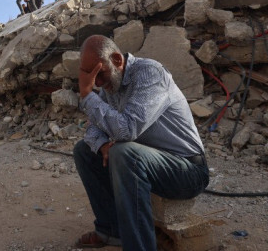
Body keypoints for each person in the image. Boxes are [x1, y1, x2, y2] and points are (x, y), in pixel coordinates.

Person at [73, 35, 209, 250]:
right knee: (84, 151)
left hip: (188, 171)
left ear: (117, 60)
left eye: (100, 74)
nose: (96, 83)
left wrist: (87, 95)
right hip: (149, 164)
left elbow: (128, 130)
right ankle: (111, 232)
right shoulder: (111, 86)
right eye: (90, 77)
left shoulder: (149, 73)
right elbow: (92, 130)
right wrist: (103, 144)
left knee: (124, 153)